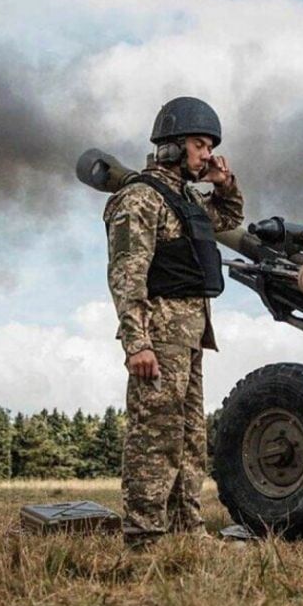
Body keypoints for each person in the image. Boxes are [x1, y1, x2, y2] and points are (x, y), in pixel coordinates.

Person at [102, 96, 244, 548]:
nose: (207, 155)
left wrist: (223, 183)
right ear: (171, 145)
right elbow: (127, 274)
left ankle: (188, 529)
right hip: (159, 335)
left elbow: (230, 217)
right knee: (155, 437)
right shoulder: (140, 198)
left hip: (189, 336)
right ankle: (144, 536)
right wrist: (136, 343)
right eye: (200, 145)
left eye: (209, 147)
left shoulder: (185, 200)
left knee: (188, 439)